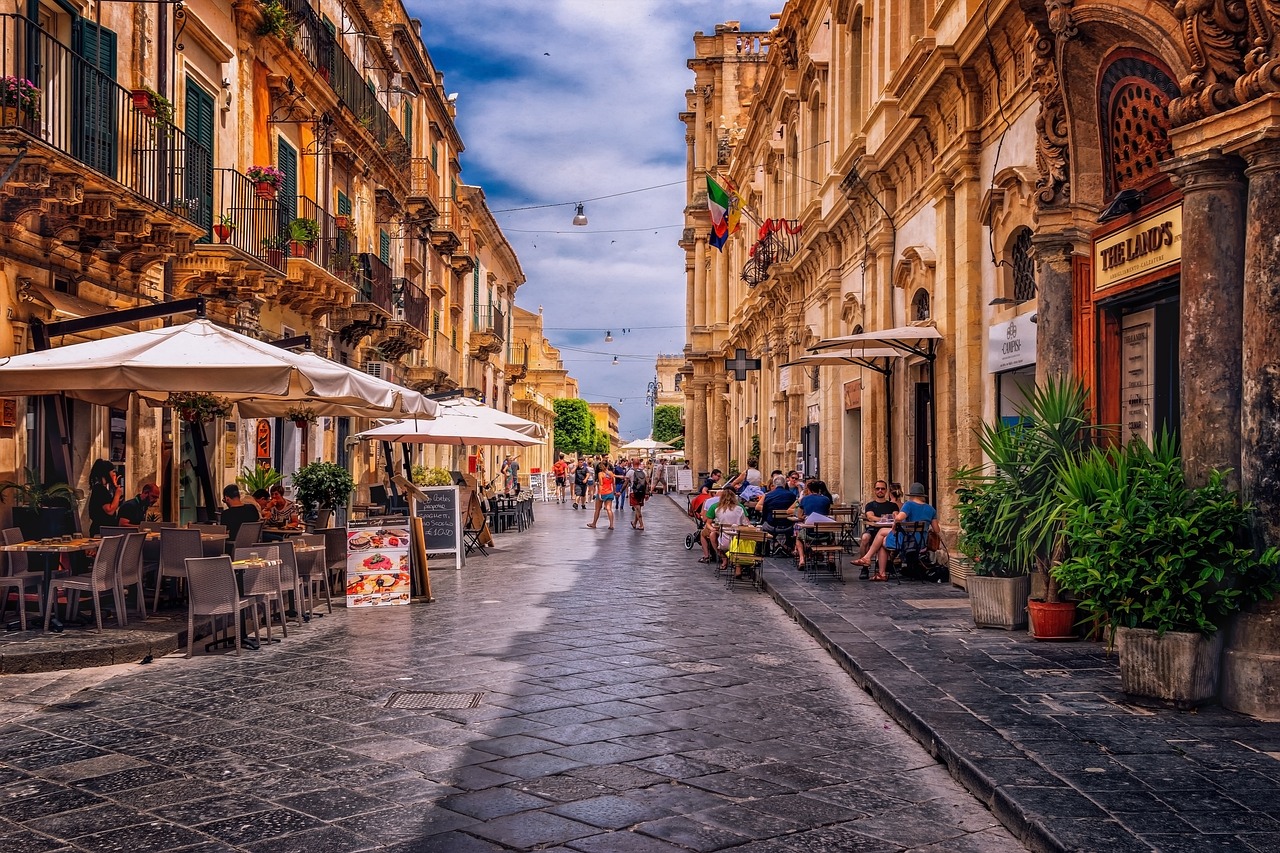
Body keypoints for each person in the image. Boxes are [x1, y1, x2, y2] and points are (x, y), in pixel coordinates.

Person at [856, 482, 936, 581]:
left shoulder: (909, 505)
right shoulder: (931, 509)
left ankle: (875, 566)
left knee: (882, 538)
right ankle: (877, 568)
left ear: (911, 495)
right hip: (921, 544)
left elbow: (898, 518)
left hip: (905, 542)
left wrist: (894, 526)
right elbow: (937, 529)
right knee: (882, 538)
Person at [859, 479, 901, 580]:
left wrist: (883, 518)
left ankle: (885, 566)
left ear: (886, 490)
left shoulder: (892, 505)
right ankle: (865, 567)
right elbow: (870, 517)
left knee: (885, 540)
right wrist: (886, 518)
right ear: (874, 490)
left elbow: (896, 516)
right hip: (873, 530)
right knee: (864, 538)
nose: (880, 491)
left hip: (888, 531)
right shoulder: (870, 505)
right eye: (878, 489)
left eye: (882, 489)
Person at [794, 479, 835, 568]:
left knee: (799, 538)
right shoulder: (826, 499)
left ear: (809, 489)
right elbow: (827, 513)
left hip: (809, 533)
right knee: (832, 538)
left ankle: (802, 559)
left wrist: (804, 517)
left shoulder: (804, 499)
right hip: (824, 533)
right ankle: (830, 557)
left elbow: (799, 516)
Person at [710, 488, 745, 571]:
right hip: (737, 542)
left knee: (716, 538)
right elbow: (745, 524)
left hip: (724, 543)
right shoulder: (739, 509)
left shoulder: (717, 510)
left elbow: (717, 524)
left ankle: (724, 558)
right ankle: (738, 566)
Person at [87, 459, 123, 536]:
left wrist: (115, 489)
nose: (114, 474)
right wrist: (117, 494)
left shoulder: (103, 489)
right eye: (113, 472)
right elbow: (110, 510)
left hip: (107, 529)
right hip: (101, 530)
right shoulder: (99, 489)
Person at [586, 461, 615, 529]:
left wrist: (599, 494)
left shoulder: (600, 474)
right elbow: (613, 483)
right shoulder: (611, 473)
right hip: (609, 492)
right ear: (607, 466)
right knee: (609, 509)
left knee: (597, 509)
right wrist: (614, 491)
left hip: (602, 492)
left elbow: (601, 484)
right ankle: (611, 525)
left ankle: (594, 523)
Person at [630, 459, 649, 531]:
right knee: (638, 508)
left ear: (632, 463)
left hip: (633, 492)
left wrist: (620, 491)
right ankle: (634, 523)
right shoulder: (643, 472)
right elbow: (647, 483)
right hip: (642, 492)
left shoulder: (631, 472)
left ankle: (641, 525)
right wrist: (647, 493)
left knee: (637, 509)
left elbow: (626, 482)